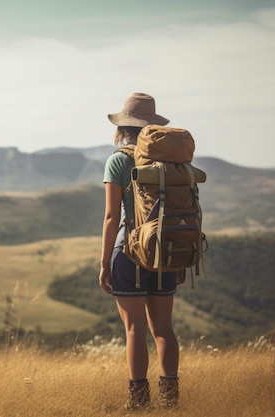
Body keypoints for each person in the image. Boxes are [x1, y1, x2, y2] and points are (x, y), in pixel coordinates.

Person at [98, 92, 180, 410]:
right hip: (165, 251)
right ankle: (172, 400)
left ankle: (139, 403)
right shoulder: (171, 161)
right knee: (164, 329)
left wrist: (104, 264)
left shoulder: (119, 159)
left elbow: (111, 217)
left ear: (124, 128)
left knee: (135, 329)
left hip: (129, 252)